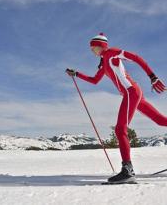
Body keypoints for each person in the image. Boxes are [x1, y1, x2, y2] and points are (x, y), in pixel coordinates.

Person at [66, 33, 167, 184]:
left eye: (93, 47)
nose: (91, 50)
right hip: (133, 93)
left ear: (101, 45)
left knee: (120, 129)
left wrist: (152, 76)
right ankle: (128, 170)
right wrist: (77, 74)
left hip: (131, 92)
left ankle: (128, 171)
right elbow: (94, 81)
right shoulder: (103, 64)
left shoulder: (111, 53)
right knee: (160, 120)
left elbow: (136, 57)